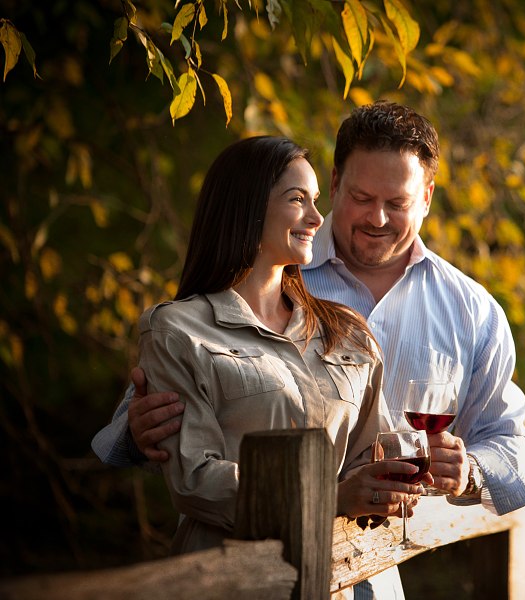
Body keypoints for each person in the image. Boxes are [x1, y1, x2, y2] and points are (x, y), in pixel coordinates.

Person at [93, 103, 525, 597]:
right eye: (362, 197)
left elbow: (509, 445)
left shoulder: (469, 310)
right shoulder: (243, 283)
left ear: (427, 196)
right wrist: (133, 434)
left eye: (397, 202)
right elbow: (165, 429)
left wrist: (467, 472)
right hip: (246, 574)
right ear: (337, 179)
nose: (377, 217)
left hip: (373, 573)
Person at [122, 136, 425, 558]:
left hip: (341, 570)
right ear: (247, 206)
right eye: (298, 198)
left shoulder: (348, 331)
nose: (318, 217)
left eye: (317, 199)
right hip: (232, 576)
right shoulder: (176, 330)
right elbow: (195, 481)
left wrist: (401, 478)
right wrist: (330, 497)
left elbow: (370, 452)